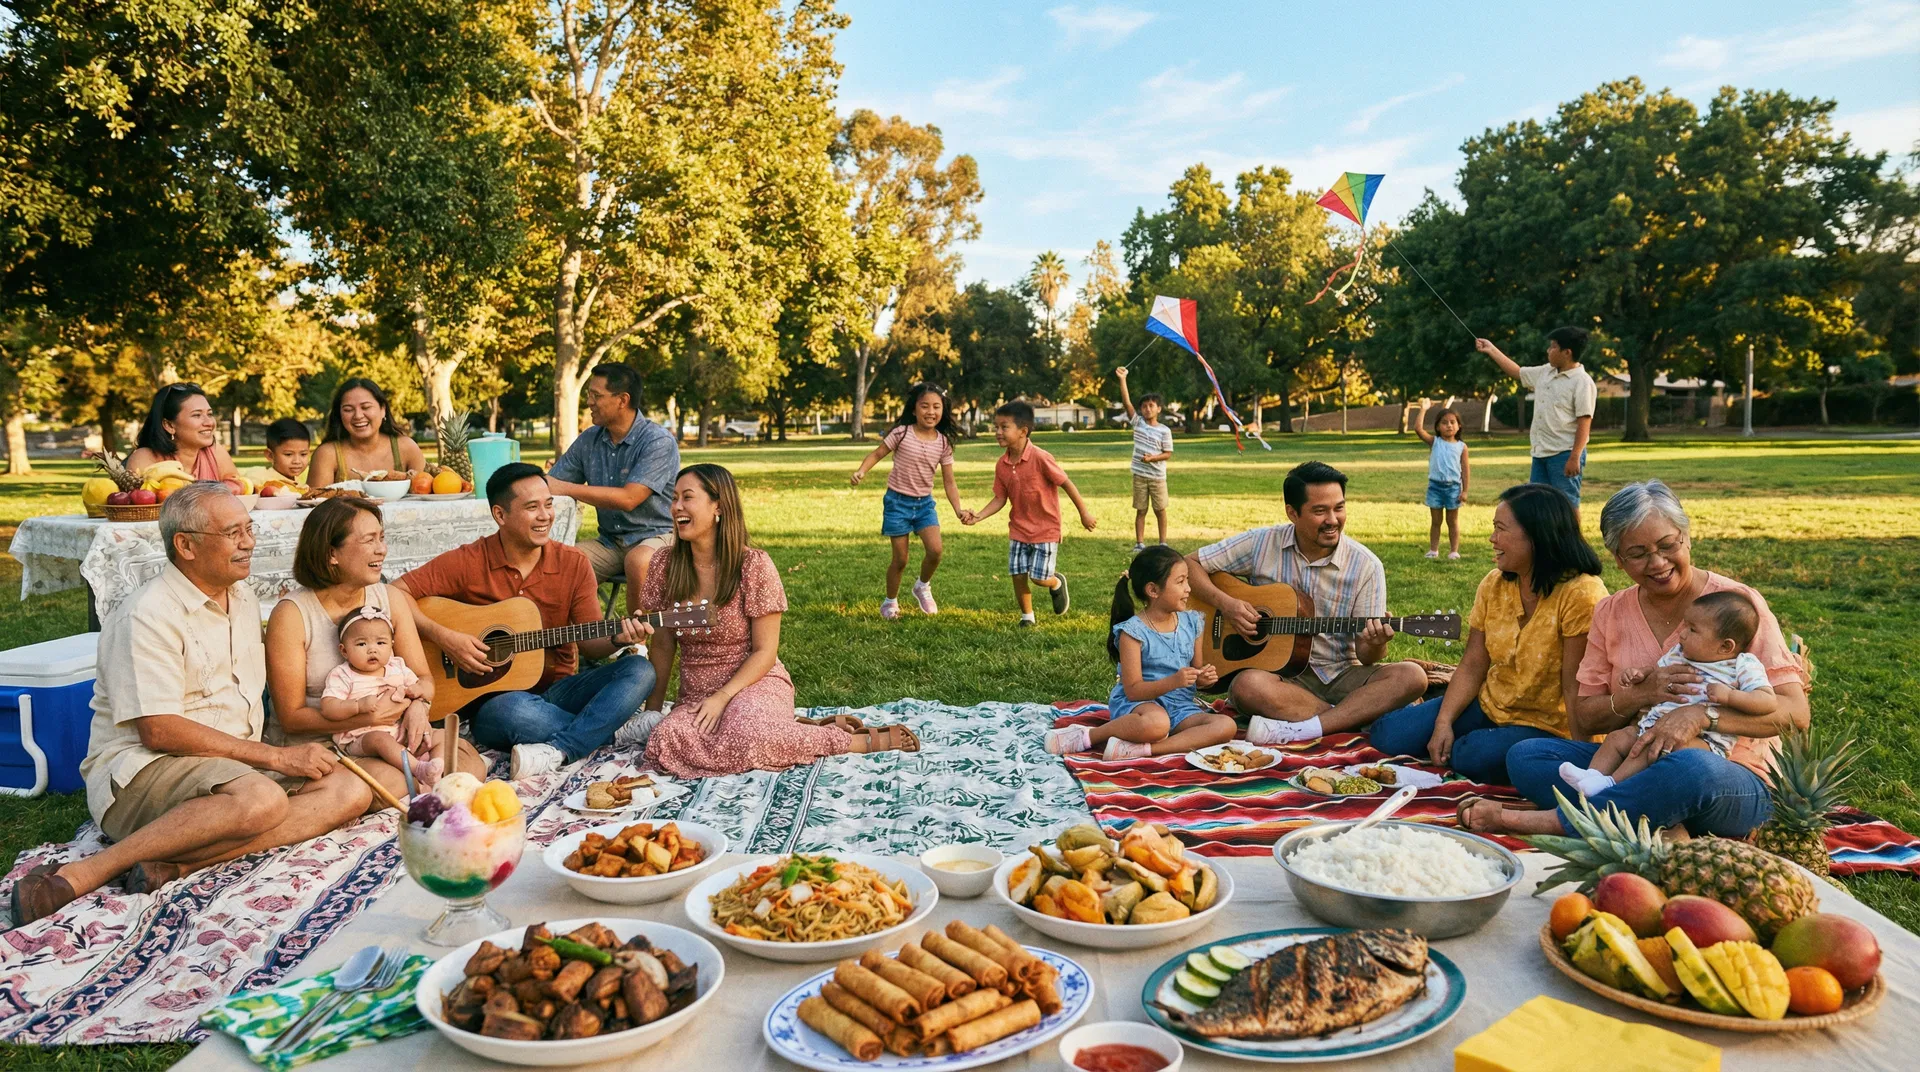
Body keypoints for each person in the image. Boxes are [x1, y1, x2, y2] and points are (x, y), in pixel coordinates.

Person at [12, 484, 371, 926]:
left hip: (230, 769)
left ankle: (178, 865)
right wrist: (276, 757)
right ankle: (86, 873)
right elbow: (159, 731)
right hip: (144, 771)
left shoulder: (241, 598)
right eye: (233, 533)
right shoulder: (147, 613)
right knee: (263, 800)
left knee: (351, 790)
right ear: (186, 545)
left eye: (249, 529)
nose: (249, 543)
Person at [1461, 481, 1811, 838]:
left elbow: (1796, 713)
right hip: (1635, 758)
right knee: (1527, 756)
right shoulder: (1611, 612)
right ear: (1618, 558)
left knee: (1690, 766)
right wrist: (1641, 694)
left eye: (1668, 545)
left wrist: (1703, 716)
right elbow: (1585, 714)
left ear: (1687, 537)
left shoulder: (1736, 606)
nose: (1657, 563)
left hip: (1727, 776)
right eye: (1638, 553)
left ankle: (1556, 821)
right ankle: (1657, 819)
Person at [642, 464, 919, 776]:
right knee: (664, 741)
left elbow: (765, 651)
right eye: (674, 498)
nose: (677, 507)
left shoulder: (753, 565)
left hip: (754, 682)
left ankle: (852, 740)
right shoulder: (664, 564)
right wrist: (653, 712)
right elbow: (662, 645)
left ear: (718, 506)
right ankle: (790, 729)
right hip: (697, 694)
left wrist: (722, 697)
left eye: (687, 497)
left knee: (748, 737)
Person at [394, 462, 656, 779]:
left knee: (640, 669)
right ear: (500, 515)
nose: (545, 516)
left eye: (549, 504)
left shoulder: (573, 563)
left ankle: (562, 747)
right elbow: (394, 592)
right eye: (532, 507)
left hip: (559, 691)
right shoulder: (469, 560)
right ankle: (609, 729)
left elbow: (590, 647)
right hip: (498, 703)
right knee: (511, 711)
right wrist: (444, 637)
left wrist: (617, 639)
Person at [1367, 484, 1607, 785]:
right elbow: (1473, 664)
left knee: (1470, 755)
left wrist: (1583, 756)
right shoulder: (1494, 584)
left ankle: (1484, 743)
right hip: (1490, 704)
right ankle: (1464, 730)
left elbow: (1576, 686)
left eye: (1500, 529)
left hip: (1549, 725)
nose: (1492, 538)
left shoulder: (1582, 594)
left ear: (1537, 536)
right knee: (1388, 735)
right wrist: (1443, 722)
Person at [1185, 460, 1428, 744]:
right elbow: (1188, 563)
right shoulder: (1262, 543)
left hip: (1341, 673)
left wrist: (1375, 643)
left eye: (1339, 508)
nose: (1333, 520)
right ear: (1292, 513)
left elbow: (1367, 657)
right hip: (1279, 678)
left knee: (1413, 677)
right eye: (1320, 511)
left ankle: (1310, 725)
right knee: (1245, 686)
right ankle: (1351, 717)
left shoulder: (1366, 566)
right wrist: (1227, 604)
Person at [266, 497, 488, 802]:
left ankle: (426, 785)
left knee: (469, 766)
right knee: (395, 782)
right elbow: (291, 718)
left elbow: (423, 678)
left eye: (381, 538)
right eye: (369, 540)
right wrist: (366, 718)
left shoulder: (389, 598)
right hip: (325, 743)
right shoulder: (291, 614)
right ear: (331, 553)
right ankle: (423, 789)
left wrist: (418, 707)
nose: (381, 549)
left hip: (393, 734)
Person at [1558, 591, 1776, 797]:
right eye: (1685, 625)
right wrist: (1641, 675)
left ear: (1726, 646)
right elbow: (1656, 671)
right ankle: (1591, 777)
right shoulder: (1680, 654)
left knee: (1658, 748)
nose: (1682, 633)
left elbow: (1767, 701)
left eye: (1692, 630)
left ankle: (1610, 785)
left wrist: (1730, 697)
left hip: (1704, 742)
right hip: (1651, 727)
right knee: (1617, 738)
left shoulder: (1742, 665)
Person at [1045, 545, 1232, 759]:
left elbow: (1196, 673)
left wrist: (1203, 679)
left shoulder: (1192, 622)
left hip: (1180, 707)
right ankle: (1089, 736)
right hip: (1140, 706)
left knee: (1225, 726)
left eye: (1187, 580)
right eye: (1180, 582)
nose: (1188, 588)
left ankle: (1141, 750)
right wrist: (1174, 681)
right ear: (1153, 590)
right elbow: (1133, 690)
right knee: (1157, 724)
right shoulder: (1133, 632)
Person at [543, 363, 680, 614]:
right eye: (589, 395)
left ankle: (638, 635)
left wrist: (566, 488)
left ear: (622, 400)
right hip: (611, 542)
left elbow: (629, 498)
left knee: (638, 561)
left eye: (596, 395)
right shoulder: (589, 439)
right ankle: (580, 635)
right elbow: (551, 484)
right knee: (559, 563)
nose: (589, 402)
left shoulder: (658, 441)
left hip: (660, 536)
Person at [963, 401, 1098, 625]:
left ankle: (1055, 583)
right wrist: (978, 516)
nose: (997, 432)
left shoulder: (1041, 457)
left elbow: (1066, 483)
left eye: (1004, 427)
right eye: (996, 427)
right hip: (1019, 529)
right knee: (1017, 575)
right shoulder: (1002, 465)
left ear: (1023, 431)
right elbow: (1000, 498)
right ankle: (1027, 616)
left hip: (1046, 529)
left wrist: (1084, 514)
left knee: (1039, 578)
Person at [849, 383, 971, 620]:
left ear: (943, 410)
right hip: (897, 503)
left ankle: (922, 586)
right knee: (900, 559)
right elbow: (877, 453)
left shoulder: (943, 443)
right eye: (924, 406)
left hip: (924, 505)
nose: (930, 411)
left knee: (935, 551)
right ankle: (890, 602)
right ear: (914, 410)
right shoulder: (902, 433)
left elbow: (949, 482)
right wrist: (861, 471)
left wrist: (958, 510)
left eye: (936, 407)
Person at [1475, 328, 1595, 513]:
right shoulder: (1545, 372)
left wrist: (1575, 457)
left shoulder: (1582, 382)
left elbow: (1584, 422)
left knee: (1567, 504)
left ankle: (1571, 533)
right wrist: (1491, 350)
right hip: (1540, 453)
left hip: (1564, 454)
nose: (1548, 350)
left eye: (1553, 347)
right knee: (1539, 504)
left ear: (1567, 352)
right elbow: (1517, 372)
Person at [320, 606, 443, 785]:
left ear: (391, 646)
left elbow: (424, 689)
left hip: (401, 730)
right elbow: (328, 707)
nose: (372, 650)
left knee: (441, 735)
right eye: (361, 644)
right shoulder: (343, 675)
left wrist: (417, 691)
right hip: (363, 737)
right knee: (380, 740)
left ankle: (437, 769)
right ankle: (419, 769)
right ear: (344, 651)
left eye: (381, 643)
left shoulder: (397, 666)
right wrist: (357, 706)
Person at [308, 378, 427, 485]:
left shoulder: (406, 448)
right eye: (348, 410)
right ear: (339, 415)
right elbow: (315, 500)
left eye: (366, 407)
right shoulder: (327, 455)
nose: (358, 416)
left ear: (383, 410)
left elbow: (426, 493)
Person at [125, 383, 243, 491]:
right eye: (197, 415)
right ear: (169, 425)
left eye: (210, 414)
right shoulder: (144, 459)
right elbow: (142, 501)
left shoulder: (216, 453)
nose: (209, 422)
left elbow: (239, 490)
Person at [1115, 367, 1173, 552]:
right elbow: (1126, 402)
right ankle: (1139, 543)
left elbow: (1168, 453)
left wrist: (1153, 458)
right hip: (1140, 475)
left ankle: (1163, 543)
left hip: (1157, 477)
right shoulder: (1138, 423)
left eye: (1151, 406)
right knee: (1141, 510)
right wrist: (1122, 379)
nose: (1147, 409)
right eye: (1144, 406)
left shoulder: (1164, 430)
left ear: (1159, 409)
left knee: (1160, 509)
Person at [1414, 401, 1470, 560]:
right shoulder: (1435, 442)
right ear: (1438, 427)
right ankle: (1434, 550)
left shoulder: (1462, 447)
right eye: (1444, 423)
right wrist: (1423, 409)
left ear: (1459, 426)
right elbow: (1418, 429)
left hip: (1453, 488)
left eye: (1452, 422)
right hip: (1435, 487)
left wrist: (1465, 491)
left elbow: (1465, 470)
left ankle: (1454, 551)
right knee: (1436, 521)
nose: (1449, 426)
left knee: (1452, 521)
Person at [264, 418, 313, 485]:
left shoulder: (299, 482)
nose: (297, 461)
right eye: (288, 454)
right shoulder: (264, 483)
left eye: (303, 454)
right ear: (270, 455)